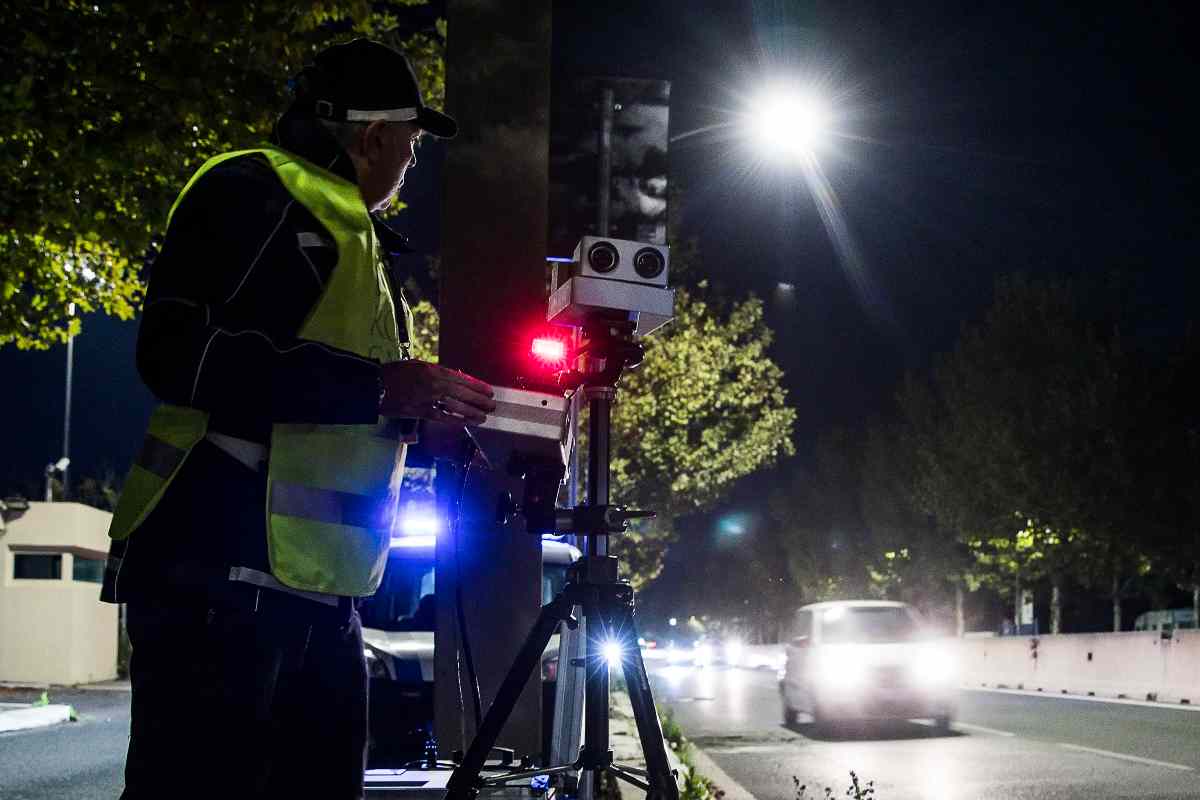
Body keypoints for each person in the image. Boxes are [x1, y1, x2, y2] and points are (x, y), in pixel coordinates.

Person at [100, 39, 496, 799]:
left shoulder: (359, 239)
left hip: (313, 595)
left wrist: (420, 428)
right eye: (412, 143)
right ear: (372, 135)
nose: (413, 162)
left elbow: (330, 407)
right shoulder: (254, 189)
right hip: (220, 583)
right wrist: (383, 391)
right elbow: (176, 353)